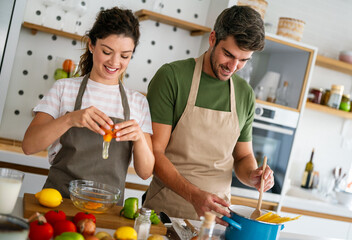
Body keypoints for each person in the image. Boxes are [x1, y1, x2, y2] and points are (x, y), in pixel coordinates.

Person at [143, 5, 274, 224]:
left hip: (216, 220)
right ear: (213, 38)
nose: (233, 66)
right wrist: (194, 196)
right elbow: (155, 153)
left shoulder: (244, 93)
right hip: (166, 214)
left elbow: (242, 157)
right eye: (228, 55)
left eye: (243, 60)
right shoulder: (172, 77)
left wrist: (253, 175)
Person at [22, 7, 154, 205]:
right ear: (92, 45)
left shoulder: (138, 102)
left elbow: (145, 173)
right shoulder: (64, 88)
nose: (114, 62)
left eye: (125, 56)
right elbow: (29, 146)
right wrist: (70, 119)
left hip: (107, 209)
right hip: (59, 202)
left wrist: (139, 139)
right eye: (107, 51)